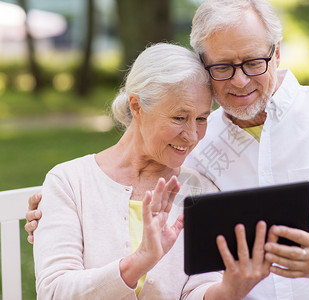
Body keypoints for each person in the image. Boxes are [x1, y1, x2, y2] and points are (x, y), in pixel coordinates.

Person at [27, 0, 309, 299]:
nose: (240, 80)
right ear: (204, 68)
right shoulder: (192, 146)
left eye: (254, 62)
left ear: (276, 53)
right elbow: (130, 170)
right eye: (223, 66)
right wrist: (59, 209)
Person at [31, 42, 272, 300]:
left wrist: (229, 291)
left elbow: (197, 289)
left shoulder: (201, 191)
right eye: (179, 117)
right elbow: (54, 292)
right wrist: (139, 262)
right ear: (136, 107)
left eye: (201, 118)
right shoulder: (70, 182)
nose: (192, 136)